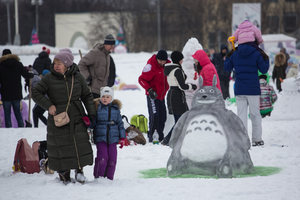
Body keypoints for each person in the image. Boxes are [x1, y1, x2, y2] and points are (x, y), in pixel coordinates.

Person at [32, 48, 96, 184]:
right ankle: (64, 172)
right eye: (55, 62)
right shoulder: (49, 78)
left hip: (77, 115)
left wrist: (91, 114)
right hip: (58, 117)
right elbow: (35, 92)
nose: (56, 65)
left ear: (67, 64)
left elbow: (87, 96)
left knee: (78, 143)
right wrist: (48, 105)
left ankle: (79, 171)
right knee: (61, 145)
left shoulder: (77, 77)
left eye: (59, 63)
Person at [224, 28, 269, 146]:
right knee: (255, 114)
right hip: (253, 89)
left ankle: (243, 140)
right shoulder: (256, 52)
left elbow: (227, 68)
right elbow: (263, 69)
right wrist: (265, 58)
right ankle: (257, 139)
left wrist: (229, 55)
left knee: (241, 115)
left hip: (240, 89)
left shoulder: (235, 52)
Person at [161, 51, 197, 145]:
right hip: (177, 95)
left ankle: (173, 139)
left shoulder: (171, 68)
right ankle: (168, 140)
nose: (182, 60)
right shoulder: (177, 70)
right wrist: (192, 86)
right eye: (181, 59)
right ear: (179, 59)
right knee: (180, 120)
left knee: (181, 119)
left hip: (173, 94)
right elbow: (182, 86)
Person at [92, 86, 126, 180]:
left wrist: (122, 137)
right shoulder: (97, 108)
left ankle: (109, 178)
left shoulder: (115, 110)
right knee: (103, 157)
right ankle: (99, 177)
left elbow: (120, 124)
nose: (105, 99)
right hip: (100, 137)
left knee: (112, 159)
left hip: (113, 138)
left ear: (111, 98)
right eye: (103, 96)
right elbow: (93, 122)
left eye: (108, 97)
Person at [138, 50, 170, 142]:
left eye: (164, 61)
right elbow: (141, 80)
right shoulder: (150, 66)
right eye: (160, 61)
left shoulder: (167, 66)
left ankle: (160, 136)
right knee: (155, 116)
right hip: (152, 96)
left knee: (163, 116)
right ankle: (152, 136)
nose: (162, 63)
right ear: (157, 59)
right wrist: (149, 90)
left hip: (161, 96)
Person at [0, 49, 33, 128]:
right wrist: (31, 75)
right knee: (18, 113)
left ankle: (8, 130)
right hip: (17, 93)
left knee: (7, 114)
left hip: (5, 94)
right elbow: (26, 75)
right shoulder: (18, 64)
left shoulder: (0, 65)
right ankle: (21, 128)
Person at [78, 34, 116, 98]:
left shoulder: (108, 56)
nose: (112, 47)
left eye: (113, 45)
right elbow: (81, 64)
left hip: (104, 91)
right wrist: (87, 77)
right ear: (105, 44)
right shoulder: (95, 53)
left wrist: (109, 84)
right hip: (94, 90)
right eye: (111, 45)